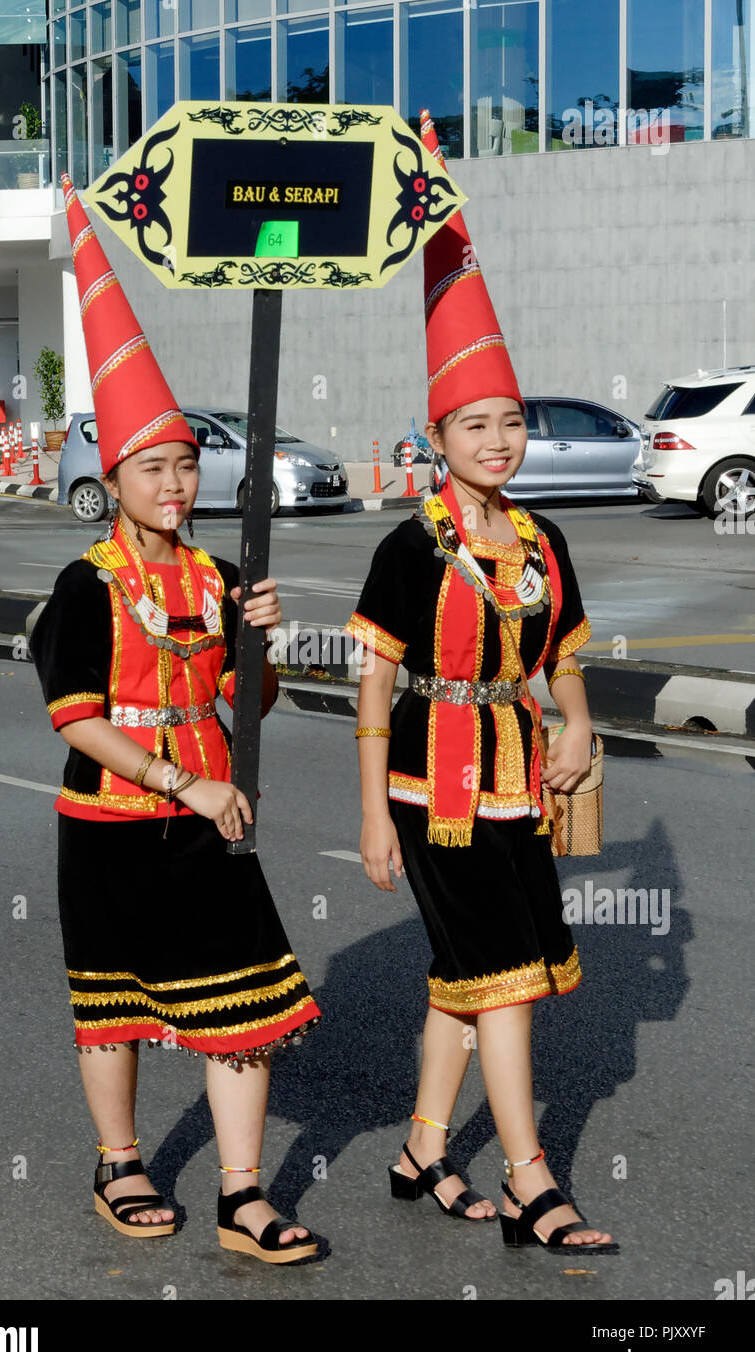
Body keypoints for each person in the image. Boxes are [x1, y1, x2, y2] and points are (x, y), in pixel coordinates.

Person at [28, 174, 322, 1265]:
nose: (177, 480)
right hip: (115, 817)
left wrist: (267, 648)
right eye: (155, 465)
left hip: (218, 809)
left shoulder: (221, 571)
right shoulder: (85, 582)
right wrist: (176, 781)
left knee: (245, 998)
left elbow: (257, 705)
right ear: (114, 476)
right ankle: (121, 1159)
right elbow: (78, 721)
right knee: (115, 1003)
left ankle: (243, 1193)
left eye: (187, 463)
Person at [343, 113, 617, 1254]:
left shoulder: (544, 536)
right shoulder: (410, 550)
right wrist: (371, 812)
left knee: (471, 971)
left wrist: (578, 724)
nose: (498, 438)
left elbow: (561, 652)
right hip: (433, 782)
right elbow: (371, 682)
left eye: (510, 421)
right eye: (475, 423)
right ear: (435, 432)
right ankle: (528, 1181)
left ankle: (419, 1147)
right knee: (501, 977)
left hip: (521, 777)